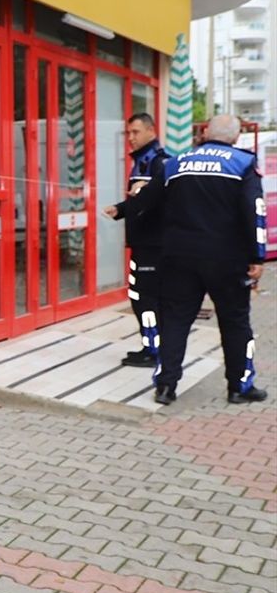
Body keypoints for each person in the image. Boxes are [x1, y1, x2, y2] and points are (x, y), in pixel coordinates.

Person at [122, 114, 267, 405]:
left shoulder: (177, 162)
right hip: (227, 259)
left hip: (178, 257)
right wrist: (256, 256)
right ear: (235, 137)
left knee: (174, 321)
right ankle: (239, 387)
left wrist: (124, 206)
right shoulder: (242, 163)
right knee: (235, 322)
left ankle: (165, 387)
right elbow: (254, 211)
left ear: (204, 134)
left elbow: (147, 200)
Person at [103, 113, 171, 368]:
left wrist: (148, 187)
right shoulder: (142, 161)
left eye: (135, 132)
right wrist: (120, 209)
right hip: (143, 244)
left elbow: (163, 198)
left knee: (147, 298)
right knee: (140, 297)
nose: (130, 138)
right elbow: (141, 200)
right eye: (128, 133)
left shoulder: (160, 162)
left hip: (154, 246)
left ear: (151, 131)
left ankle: (154, 351)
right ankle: (150, 346)